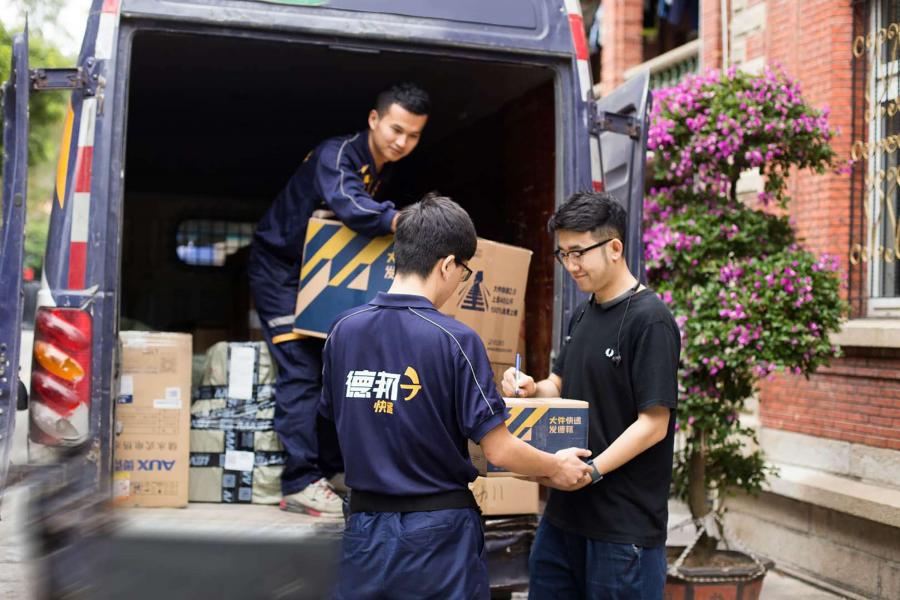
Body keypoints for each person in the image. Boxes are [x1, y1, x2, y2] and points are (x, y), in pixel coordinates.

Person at [319, 194, 594, 599]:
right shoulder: (455, 340)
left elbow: (331, 425)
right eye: (464, 272)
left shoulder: (343, 330)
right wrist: (556, 467)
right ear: (448, 264)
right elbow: (499, 450)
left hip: (364, 529)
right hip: (436, 537)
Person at [248, 83, 430, 516]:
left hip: (320, 278)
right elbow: (350, 206)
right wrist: (401, 219)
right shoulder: (338, 154)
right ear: (374, 119)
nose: (402, 142)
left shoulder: (383, 166)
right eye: (395, 129)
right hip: (281, 272)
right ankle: (298, 481)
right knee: (301, 369)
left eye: (413, 135)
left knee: (335, 371)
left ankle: (331, 471)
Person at [500, 191, 680, 599]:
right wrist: (531, 387)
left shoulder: (651, 320)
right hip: (563, 518)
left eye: (578, 252)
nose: (571, 265)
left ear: (615, 247)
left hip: (622, 529)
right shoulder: (583, 313)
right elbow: (560, 384)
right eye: (563, 254)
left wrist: (592, 471)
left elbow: (654, 424)